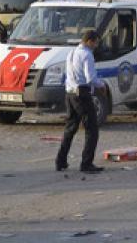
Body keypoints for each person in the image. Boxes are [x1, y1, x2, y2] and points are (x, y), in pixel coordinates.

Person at [55, 30, 106, 174]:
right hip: (82, 94)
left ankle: (60, 160)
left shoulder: (72, 53)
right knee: (92, 130)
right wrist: (101, 85)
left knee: (70, 128)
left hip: (70, 93)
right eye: (96, 42)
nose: (96, 45)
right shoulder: (87, 55)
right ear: (90, 41)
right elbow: (91, 78)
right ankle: (86, 164)